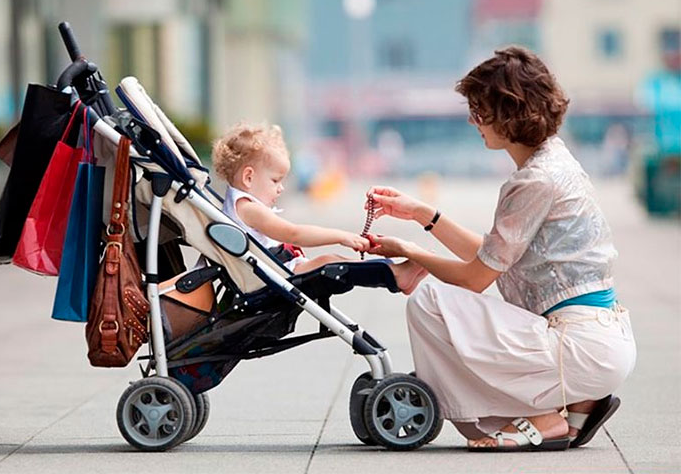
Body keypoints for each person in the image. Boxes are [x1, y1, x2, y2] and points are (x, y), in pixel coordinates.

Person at [365, 46, 637, 451]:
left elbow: (476, 277)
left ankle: (539, 418)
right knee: (444, 302)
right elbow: (497, 257)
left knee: (428, 303)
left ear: (510, 112)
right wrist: (423, 215)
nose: (474, 121)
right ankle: (572, 404)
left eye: (481, 110)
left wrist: (412, 254)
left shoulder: (533, 181)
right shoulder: (554, 161)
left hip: (579, 348)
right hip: (599, 341)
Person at [212, 121, 425, 294]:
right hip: (274, 274)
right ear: (249, 177)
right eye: (275, 180)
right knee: (330, 263)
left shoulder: (239, 203)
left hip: (275, 267)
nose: (281, 188)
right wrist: (341, 236)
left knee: (334, 262)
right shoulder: (249, 209)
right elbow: (293, 233)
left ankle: (392, 271)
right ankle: (395, 274)